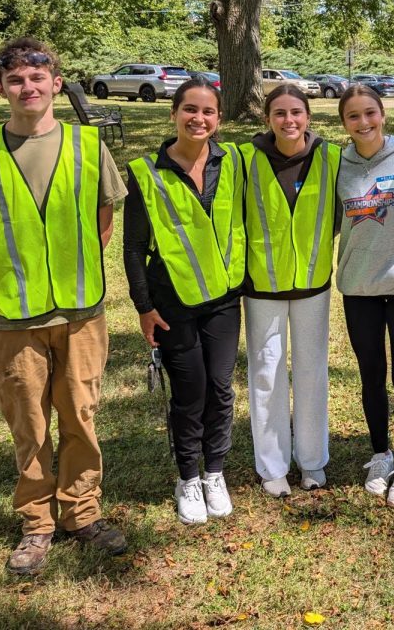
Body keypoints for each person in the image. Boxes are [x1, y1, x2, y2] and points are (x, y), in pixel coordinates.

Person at [0, 37, 127, 576]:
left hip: (82, 311)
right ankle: (38, 523)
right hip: (14, 315)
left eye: (37, 79)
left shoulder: (90, 147)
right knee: (29, 420)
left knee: (82, 415)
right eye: (16, 80)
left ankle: (82, 513)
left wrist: (69, 271)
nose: (28, 88)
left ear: (56, 84)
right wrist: (17, 279)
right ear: (1, 88)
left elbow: (103, 225)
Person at [123, 77, 245, 525]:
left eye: (208, 111)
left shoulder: (231, 160)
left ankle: (215, 472)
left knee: (219, 388)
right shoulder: (146, 172)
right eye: (189, 109)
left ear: (219, 119)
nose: (199, 118)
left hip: (224, 299)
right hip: (171, 301)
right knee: (189, 394)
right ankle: (188, 477)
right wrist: (143, 307)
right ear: (173, 113)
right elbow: (134, 248)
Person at [242, 83, 340, 497]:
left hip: (313, 286)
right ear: (268, 119)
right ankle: (273, 466)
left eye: (296, 112)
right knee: (266, 375)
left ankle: (313, 462)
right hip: (262, 287)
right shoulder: (243, 159)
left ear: (308, 117)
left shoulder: (331, 157)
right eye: (279, 113)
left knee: (312, 372)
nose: (289, 121)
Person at [336, 85, 394, 508]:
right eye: (353, 116)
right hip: (358, 286)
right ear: (343, 123)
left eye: (370, 113)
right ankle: (380, 453)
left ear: (383, 114)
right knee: (370, 373)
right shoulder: (337, 163)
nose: (364, 122)